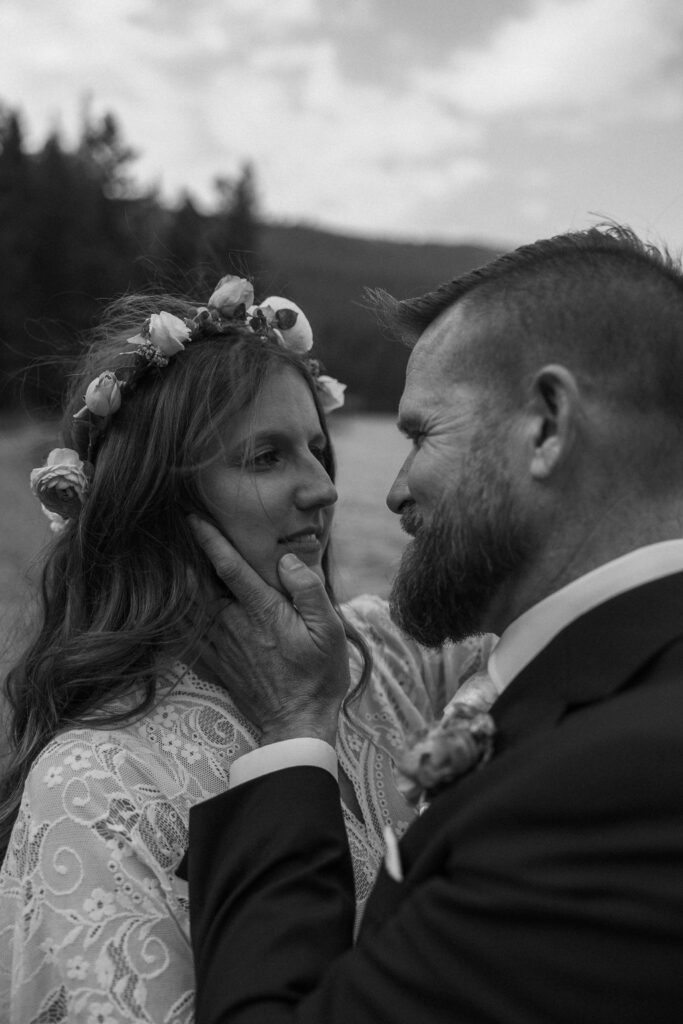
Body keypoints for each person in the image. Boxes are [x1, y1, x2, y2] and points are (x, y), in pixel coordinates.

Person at [183, 224, 683, 1023]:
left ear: (548, 425)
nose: (389, 492)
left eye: (420, 434)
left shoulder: (616, 781)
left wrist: (290, 731)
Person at [0, 275, 494, 1024]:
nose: (322, 487)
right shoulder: (96, 784)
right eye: (265, 457)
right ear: (156, 501)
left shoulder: (378, 652)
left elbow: (542, 635)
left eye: (316, 448)